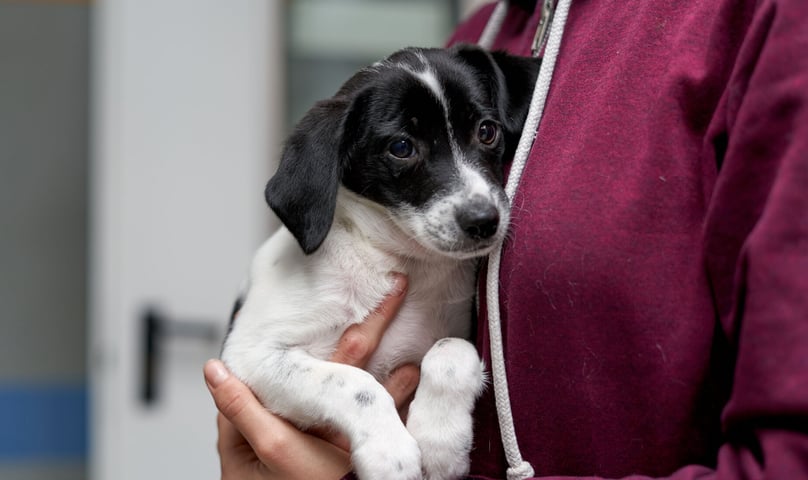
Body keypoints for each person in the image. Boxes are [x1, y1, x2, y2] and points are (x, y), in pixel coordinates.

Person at [204, 0, 808, 478]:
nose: (478, 203)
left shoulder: (754, 25)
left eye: (487, 136)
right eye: (403, 149)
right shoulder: (478, 36)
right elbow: (248, 372)